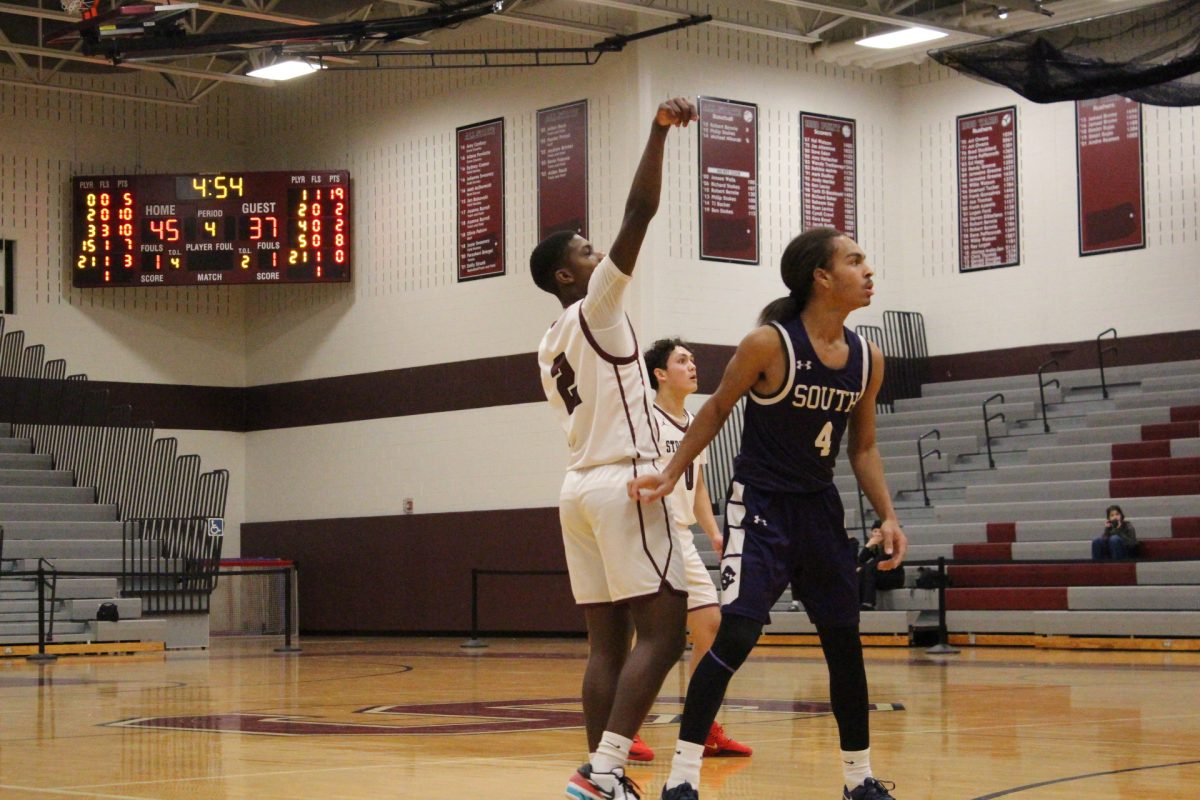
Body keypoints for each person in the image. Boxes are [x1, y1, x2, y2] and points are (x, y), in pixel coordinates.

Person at [629, 227, 908, 800]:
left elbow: (863, 448)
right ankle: (683, 777)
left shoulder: (867, 360)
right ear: (821, 278)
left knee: (844, 644)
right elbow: (715, 412)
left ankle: (860, 780)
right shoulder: (768, 344)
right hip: (759, 506)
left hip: (819, 510)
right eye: (855, 260)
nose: (868, 270)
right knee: (735, 635)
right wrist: (673, 471)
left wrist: (889, 517)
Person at [534, 97, 698, 800]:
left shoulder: (548, 342)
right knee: (664, 637)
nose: (597, 251)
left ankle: (597, 774)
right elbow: (639, 214)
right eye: (584, 252)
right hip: (625, 484)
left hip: (576, 491)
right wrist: (658, 132)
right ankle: (605, 774)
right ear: (570, 278)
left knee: (607, 645)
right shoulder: (597, 307)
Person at [630, 337, 752, 761]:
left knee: (711, 627)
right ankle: (626, 728)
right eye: (682, 360)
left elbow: (696, 485)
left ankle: (703, 726)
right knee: (655, 634)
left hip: (681, 534)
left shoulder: (696, 420)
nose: (692, 365)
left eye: (693, 359)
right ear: (660, 374)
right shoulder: (645, 419)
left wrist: (714, 533)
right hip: (650, 533)